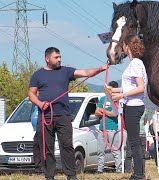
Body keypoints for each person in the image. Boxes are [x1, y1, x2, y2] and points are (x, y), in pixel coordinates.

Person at [28, 47, 108, 180]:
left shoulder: (65, 71)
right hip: (45, 116)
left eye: (60, 57)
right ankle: (49, 176)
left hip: (63, 115)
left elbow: (85, 72)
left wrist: (100, 69)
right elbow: (31, 94)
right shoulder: (38, 75)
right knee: (47, 147)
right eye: (56, 57)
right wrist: (40, 104)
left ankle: (71, 175)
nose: (59, 59)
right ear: (47, 59)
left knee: (67, 146)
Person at [110, 35, 147, 180]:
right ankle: (139, 173)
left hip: (133, 106)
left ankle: (138, 174)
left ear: (127, 47)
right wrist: (113, 91)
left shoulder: (136, 64)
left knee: (134, 142)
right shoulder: (135, 64)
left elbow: (140, 88)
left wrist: (122, 95)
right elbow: (129, 87)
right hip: (131, 105)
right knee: (134, 141)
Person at [95, 81, 124, 173]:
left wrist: (103, 111)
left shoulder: (116, 100)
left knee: (115, 150)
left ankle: (118, 169)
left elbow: (114, 113)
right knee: (100, 151)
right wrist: (106, 112)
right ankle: (100, 169)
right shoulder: (102, 99)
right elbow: (96, 112)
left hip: (112, 129)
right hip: (102, 129)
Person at [31, 104, 43, 174]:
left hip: (44, 129)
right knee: (36, 148)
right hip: (37, 130)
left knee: (43, 148)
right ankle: (38, 168)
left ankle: (43, 168)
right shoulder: (35, 105)